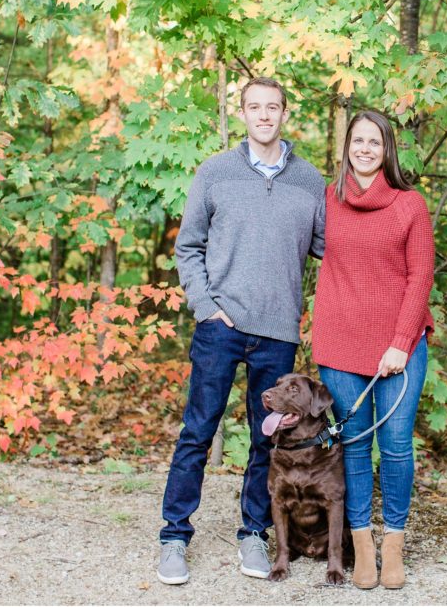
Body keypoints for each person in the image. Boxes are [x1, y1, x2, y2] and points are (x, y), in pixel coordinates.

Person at [157, 77, 326, 585]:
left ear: (284, 113)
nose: (264, 116)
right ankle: (173, 536)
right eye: (254, 107)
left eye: (272, 107)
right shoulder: (215, 172)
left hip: (278, 331)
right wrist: (207, 307)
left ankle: (253, 532)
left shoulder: (311, 181)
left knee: (266, 439)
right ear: (244, 114)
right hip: (221, 326)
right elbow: (188, 247)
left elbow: (331, 251)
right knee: (198, 431)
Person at [312, 110, 435, 591]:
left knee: (398, 447)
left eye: (374, 142)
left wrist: (401, 343)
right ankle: (361, 547)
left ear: (387, 150)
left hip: (399, 349)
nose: (364, 149)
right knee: (355, 446)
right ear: (346, 147)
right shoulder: (328, 199)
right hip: (340, 344)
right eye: (357, 141)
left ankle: (394, 545)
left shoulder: (409, 205)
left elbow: (420, 277)